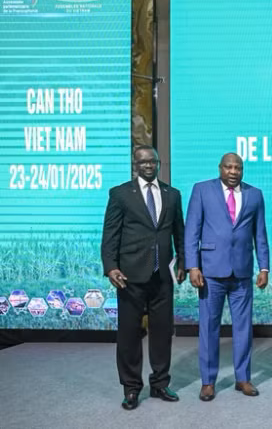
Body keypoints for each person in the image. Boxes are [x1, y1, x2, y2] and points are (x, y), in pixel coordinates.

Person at [101, 145, 185, 410]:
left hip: (162, 276)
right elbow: (110, 233)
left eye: (153, 161)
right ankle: (131, 388)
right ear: (135, 165)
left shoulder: (172, 194)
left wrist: (183, 261)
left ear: (159, 164)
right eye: (143, 161)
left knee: (162, 334)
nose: (149, 165)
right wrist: (110, 266)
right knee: (129, 334)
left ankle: (160, 383)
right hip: (130, 275)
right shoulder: (120, 194)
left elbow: (179, 232)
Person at [184, 153, 269, 401]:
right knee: (209, 328)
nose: (233, 171)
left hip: (242, 272)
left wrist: (264, 268)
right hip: (210, 272)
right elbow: (192, 231)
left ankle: (243, 378)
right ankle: (208, 381)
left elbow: (260, 234)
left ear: (242, 170)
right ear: (220, 168)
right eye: (228, 167)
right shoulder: (202, 190)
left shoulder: (255, 194)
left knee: (243, 328)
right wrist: (192, 266)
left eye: (238, 168)